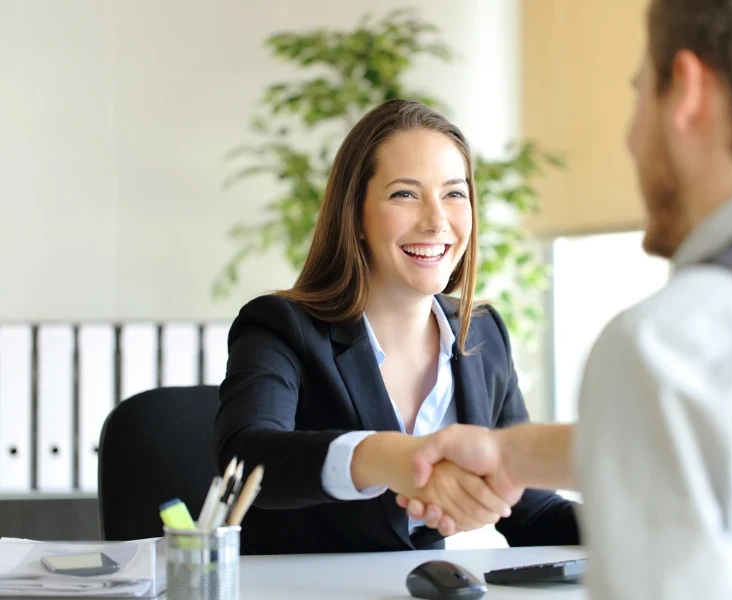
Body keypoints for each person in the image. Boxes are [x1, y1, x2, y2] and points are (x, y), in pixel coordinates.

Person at [399, 0, 732, 598]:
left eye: (640, 96)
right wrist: (513, 454)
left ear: (686, 94)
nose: (631, 138)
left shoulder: (669, 343)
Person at [213, 98, 579, 555]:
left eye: (454, 193)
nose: (437, 221)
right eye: (405, 194)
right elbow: (247, 461)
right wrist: (393, 459)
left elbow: (534, 512)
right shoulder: (281, 327)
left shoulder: (481, 334)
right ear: (357, 215)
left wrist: (644, 519)